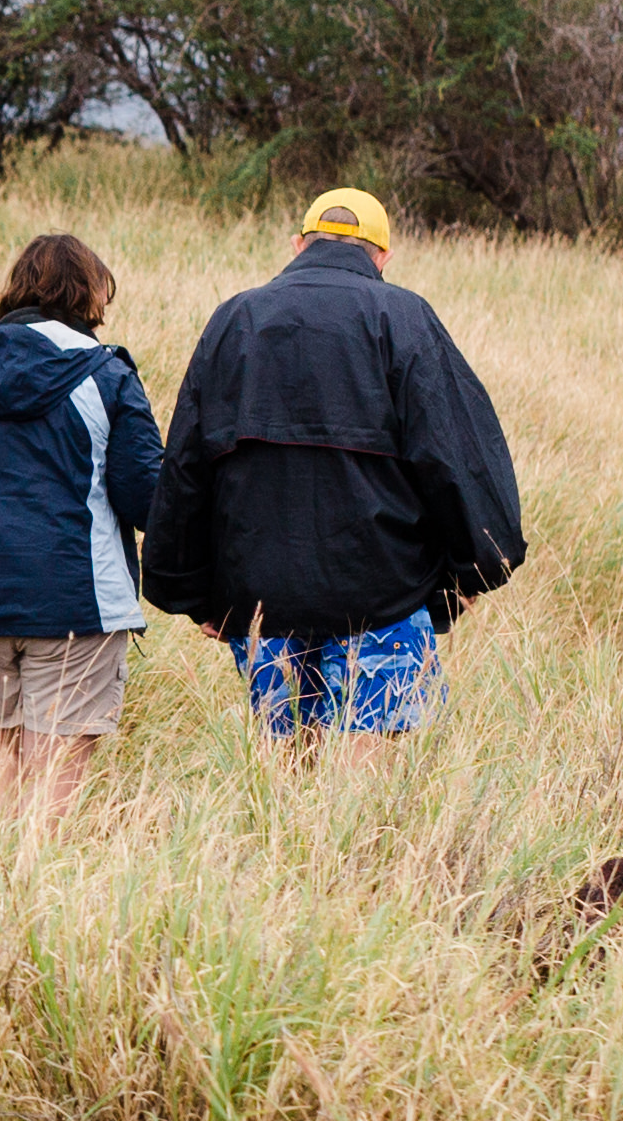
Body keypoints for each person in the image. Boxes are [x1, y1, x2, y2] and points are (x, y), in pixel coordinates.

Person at [144, 187, 527, 755]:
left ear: (298, 245)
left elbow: (187, 466)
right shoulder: (404, 317)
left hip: (260, 602)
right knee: (362, 783)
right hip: (383, 597)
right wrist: (474, 570)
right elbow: (457, 457)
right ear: (382, 258)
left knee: (284, 771)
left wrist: (193, 592)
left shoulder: (235, 319)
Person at [0, 231, 160, 823]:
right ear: (90, 295)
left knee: (0, 747)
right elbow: (146, 495)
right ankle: (31, 896)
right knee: (58, 757)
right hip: (75, 602)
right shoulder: (107, 377)